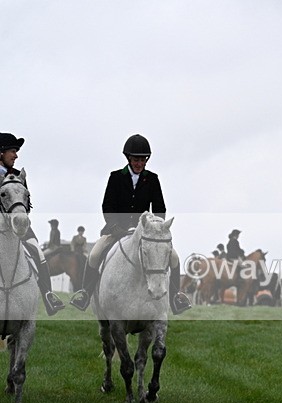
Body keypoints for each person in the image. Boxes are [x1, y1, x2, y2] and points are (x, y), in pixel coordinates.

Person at [69, 134, 191, 314]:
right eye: (136, 159)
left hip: (146, 232)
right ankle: (85, 294)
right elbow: (107, 206)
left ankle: (175, 298)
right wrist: (115, 226)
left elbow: (159, 208)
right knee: (94, 254)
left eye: (142, 160)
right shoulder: (116, 177)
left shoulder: (153, 179)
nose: (139, 163)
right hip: (117, 230)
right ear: (128, 158)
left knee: (174, 257)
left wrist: (155, 227)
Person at [0, 132, 65, 315]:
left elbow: (26, 204)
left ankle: (48, 296)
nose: (16, 155)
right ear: (0, 153)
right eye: (12, 151)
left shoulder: (19, 176)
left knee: (37, 251)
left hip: (18, 227)